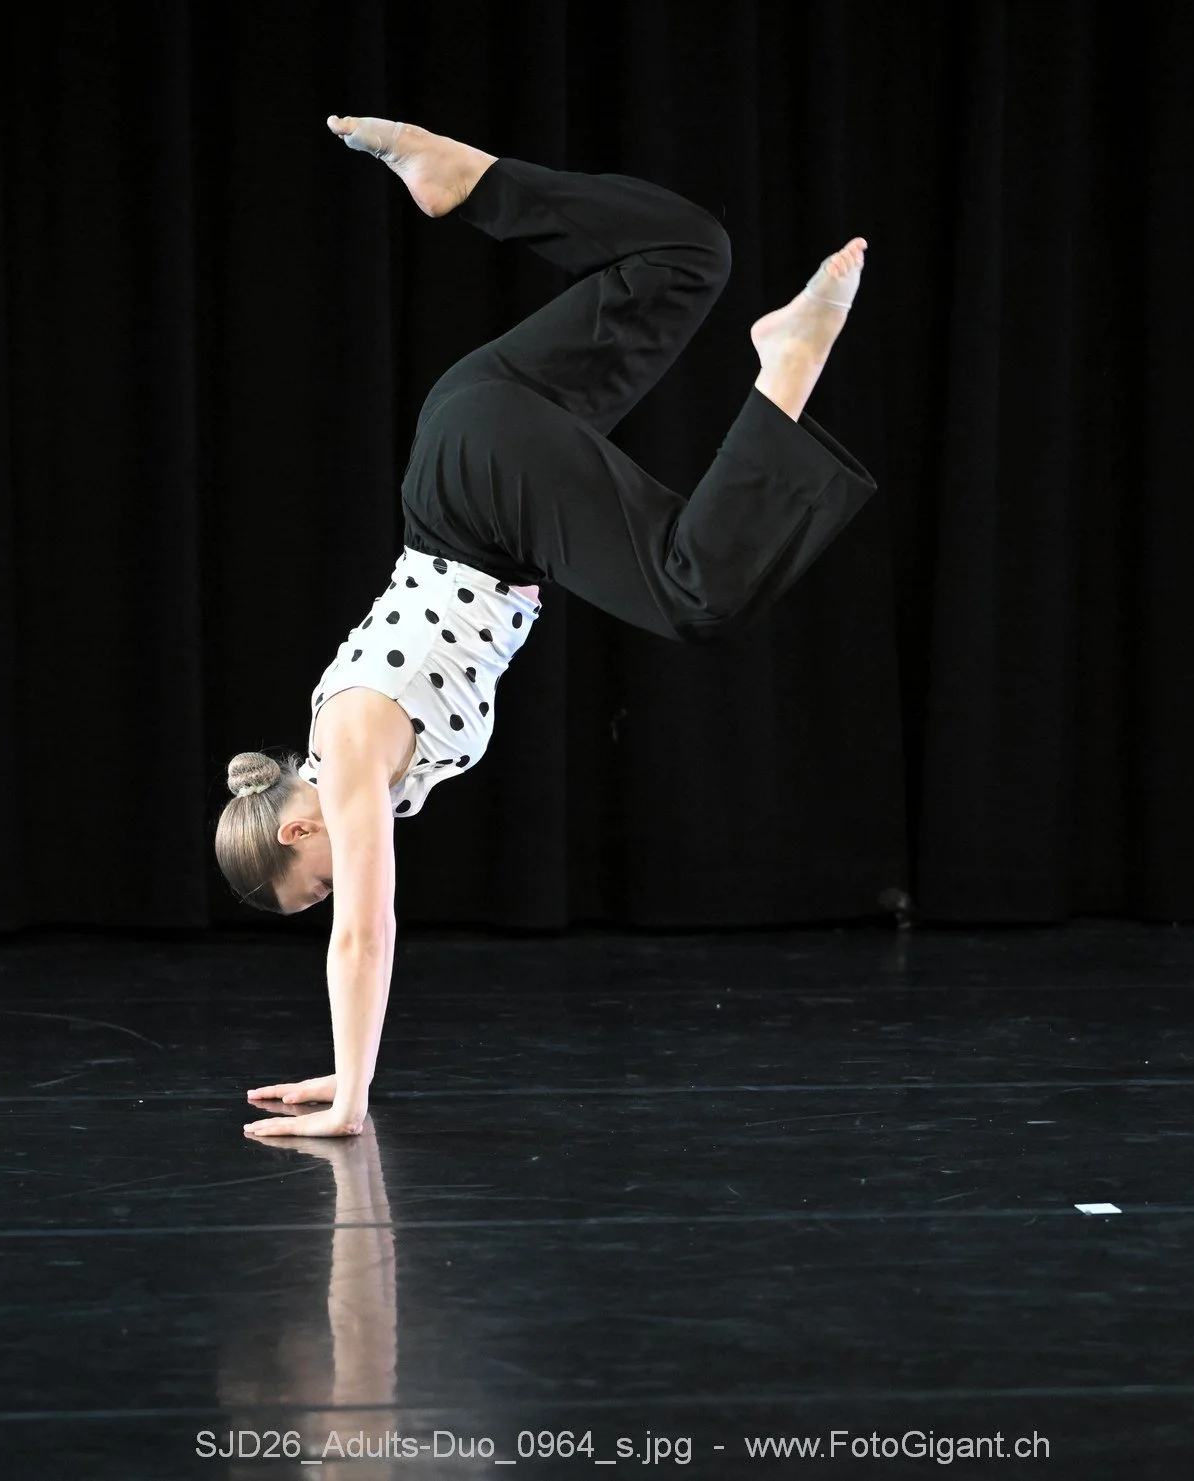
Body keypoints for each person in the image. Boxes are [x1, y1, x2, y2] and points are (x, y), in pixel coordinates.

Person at [222, 115, 876, 1138]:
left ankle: (787, 366)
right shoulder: (352, 746)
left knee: (692, 592)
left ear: (297, 831)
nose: (338, 886)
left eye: (315, 886)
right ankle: (471, 181)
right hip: (475, 433)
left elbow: (364, 934)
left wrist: (349, 1094)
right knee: (686, 257)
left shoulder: (345, 752)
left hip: (477, 496)